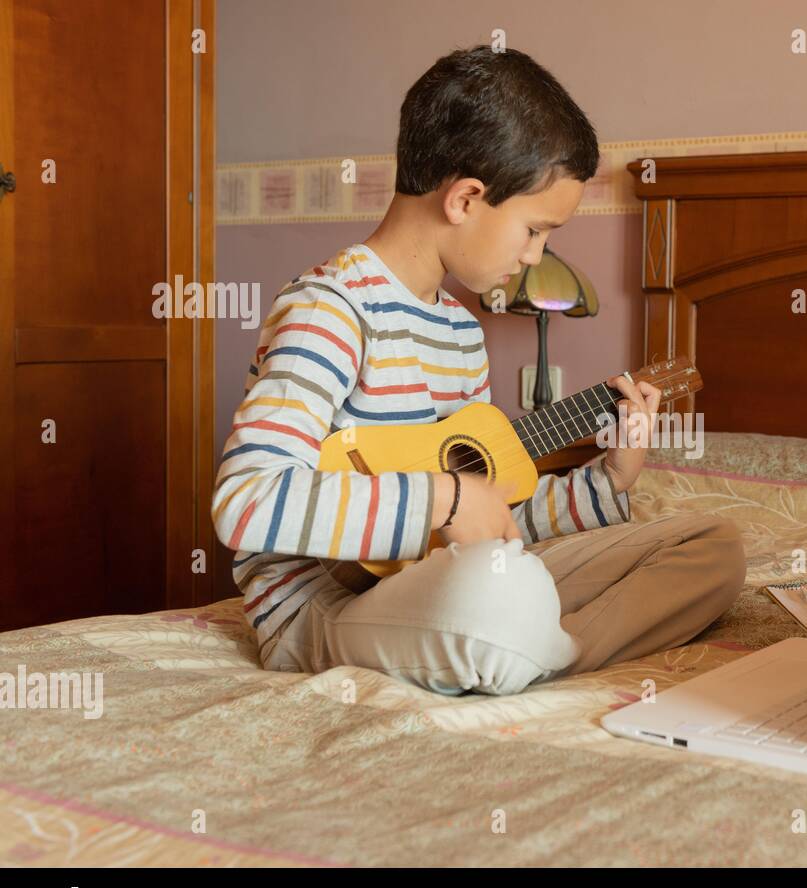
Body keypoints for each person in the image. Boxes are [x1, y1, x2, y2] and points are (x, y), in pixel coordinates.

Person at [211, 45, 746, 696]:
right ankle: (528, 642)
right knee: (498, 589)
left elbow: (497, 513)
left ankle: (532, 648)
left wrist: (608, 478)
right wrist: (443, 498)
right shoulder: (330, 309)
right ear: (465, 198)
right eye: (533, 230)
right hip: (320, 610)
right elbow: (246, 500)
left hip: (441, 581)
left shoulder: (461, 332)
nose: (534, 255)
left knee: (713, 548)